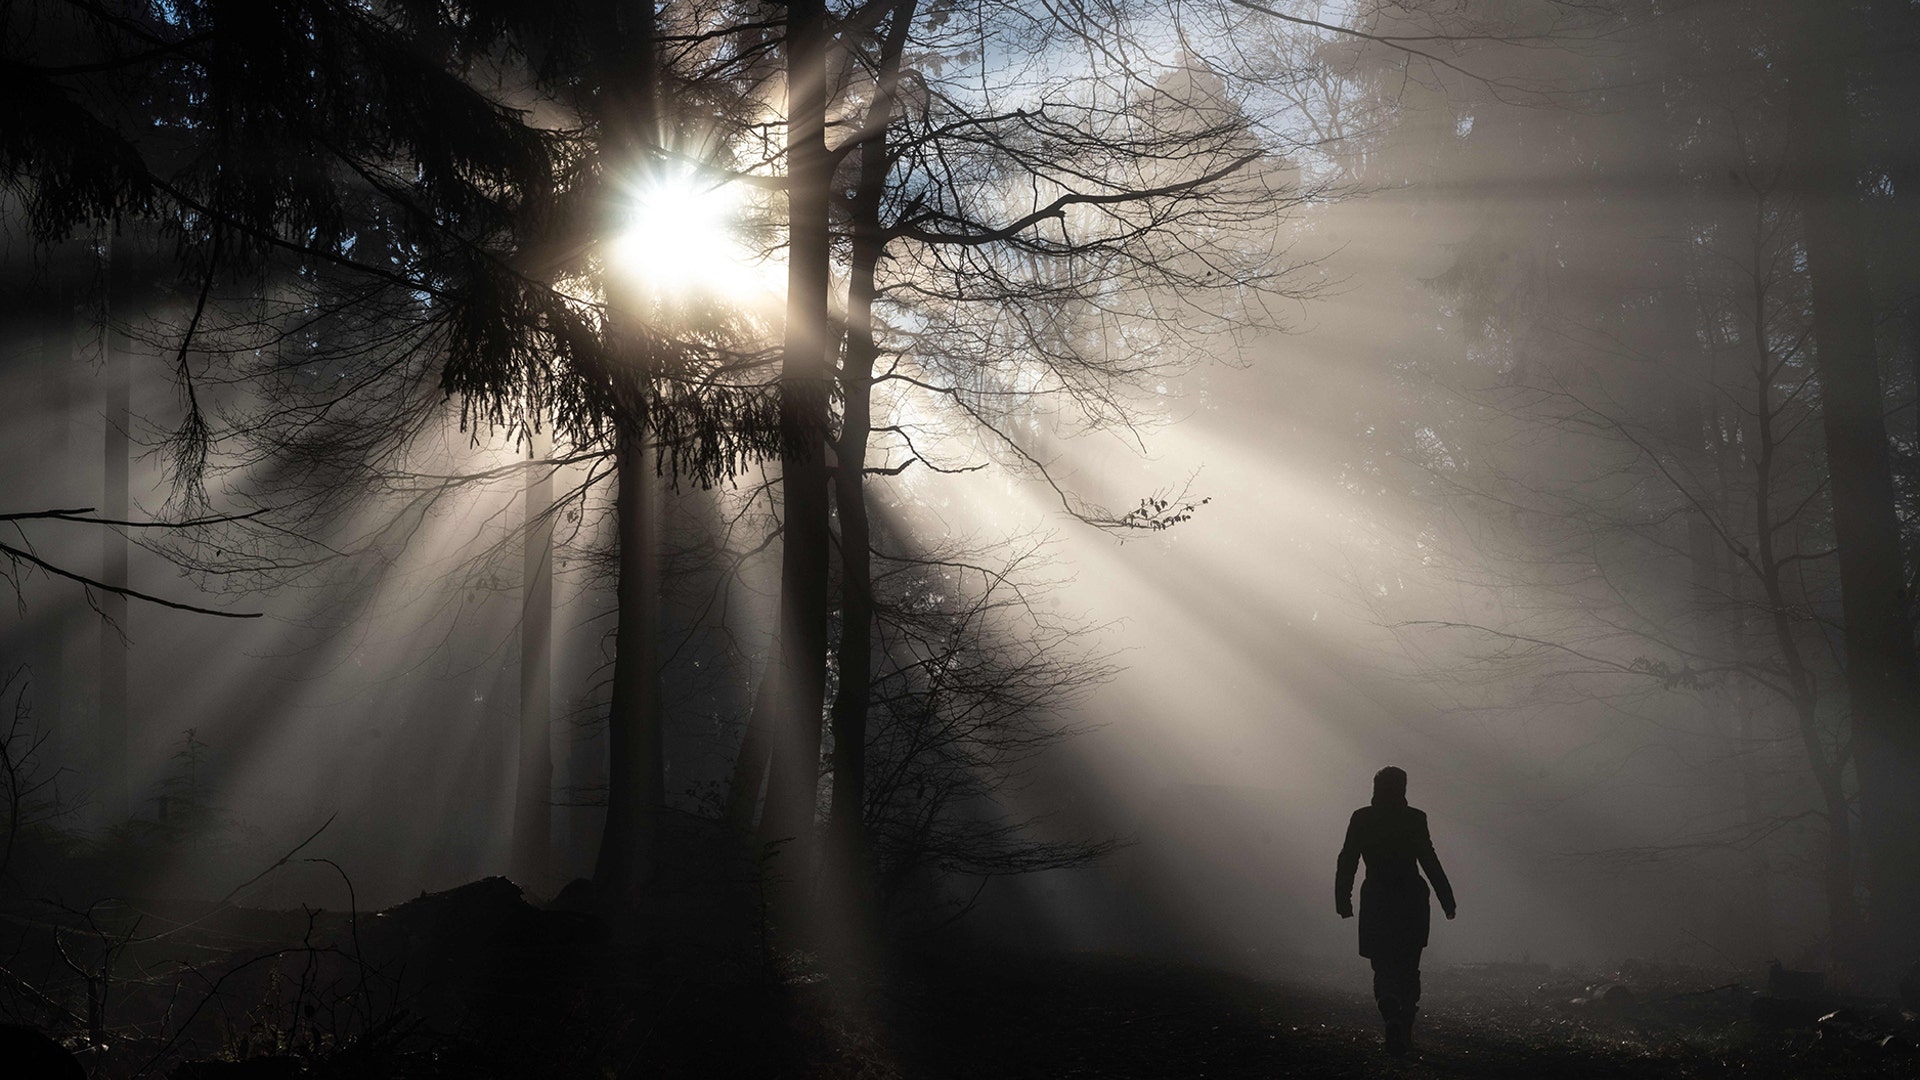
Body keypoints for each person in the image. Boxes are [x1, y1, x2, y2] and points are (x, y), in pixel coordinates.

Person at [1335, 766, 1456, 1056]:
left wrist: (1343, 900)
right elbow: (1429, 860)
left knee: (1383, 965)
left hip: (1377, 899)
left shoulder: (1362, 818)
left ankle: (1390, 1010)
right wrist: (1446, 899)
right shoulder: (1415, 819)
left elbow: (1348, 859)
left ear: (1375, 788)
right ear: (1403, 788)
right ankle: (1404, 1022)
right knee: (1408, 966)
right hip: (1411, 900)